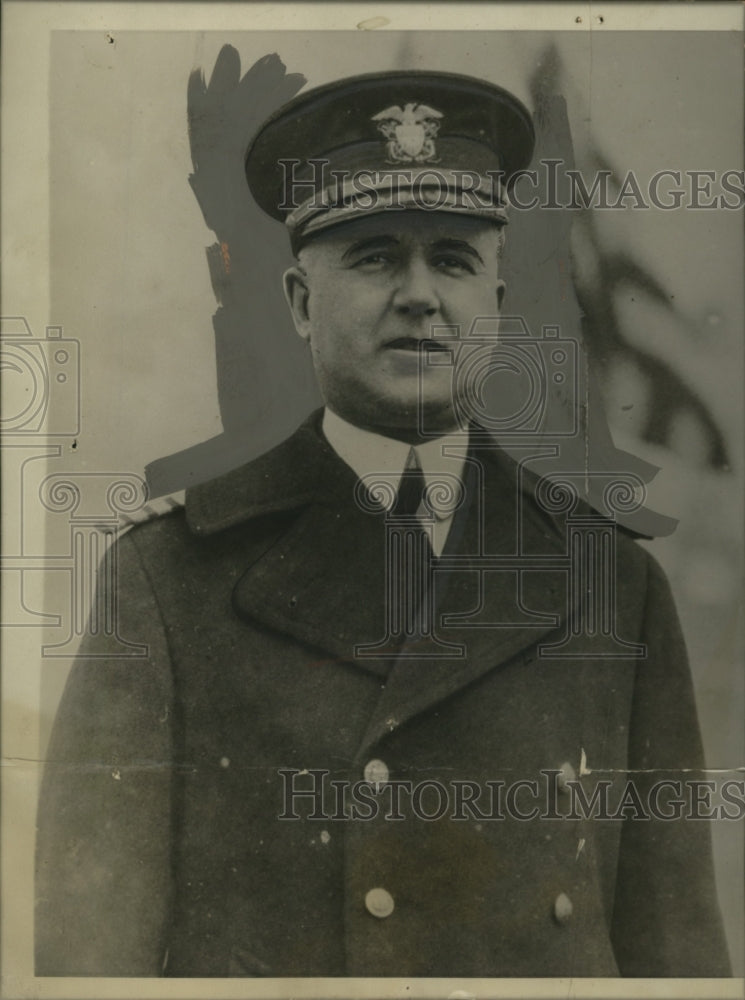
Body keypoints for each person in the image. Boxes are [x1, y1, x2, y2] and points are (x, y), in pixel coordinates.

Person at [35, 70, 731, 979]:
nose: (418, 294)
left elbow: (677, 957)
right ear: (297, 302)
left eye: (451, 259)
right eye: (372, 257)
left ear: (498, 302)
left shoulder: (612, 583)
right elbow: (89, 965)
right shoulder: (167, 581)